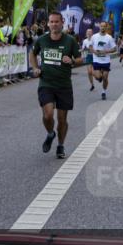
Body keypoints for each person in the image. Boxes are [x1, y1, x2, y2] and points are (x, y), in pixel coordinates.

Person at [29, 11, 82, 159]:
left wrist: (71, 61)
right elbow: (32, 54)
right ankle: (50, 133)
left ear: (62, 22)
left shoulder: (70, 40)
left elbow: (80, 59)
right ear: (48, 24)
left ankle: (60, 145)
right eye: (51, 22)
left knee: (62, 119)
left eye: (56, 22)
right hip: (46, 83)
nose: (54, 24)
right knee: (48, 115)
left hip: (64, 85)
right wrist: (34, 68)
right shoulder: (42, 40)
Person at [91, 21, 116, 100]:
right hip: (96, 59)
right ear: (99, 27)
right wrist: (94, 52)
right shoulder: (94, 36)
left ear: (106, 27)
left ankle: (103, 92)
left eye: (104, 26)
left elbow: (114, 48)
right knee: (98, 77)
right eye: (101, 26)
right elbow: (90, 46)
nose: (102, 28)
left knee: (105, 77)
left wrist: (106, 51)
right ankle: (99, 77)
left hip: (105, 60)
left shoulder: (109, 37)